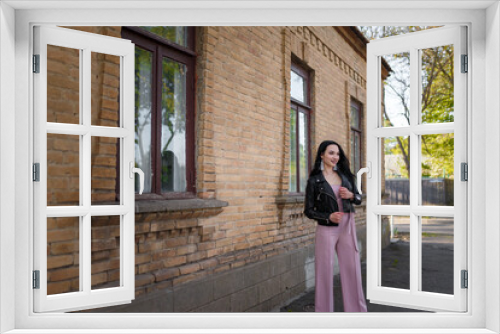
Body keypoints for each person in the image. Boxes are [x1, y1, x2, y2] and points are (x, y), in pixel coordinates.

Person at [304, 140, 367, 312]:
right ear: (322, 155)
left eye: (337, 154)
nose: (335, 157)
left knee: (352, 268)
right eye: (331, 153)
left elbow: (360, 198)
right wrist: (328, 217)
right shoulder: (314, 181)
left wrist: (351, 195)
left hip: (347, 225)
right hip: (326, 228)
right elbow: (309, 211)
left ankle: (357, 314)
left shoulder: (345, 176)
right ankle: (324, 315)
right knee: (324, 271)